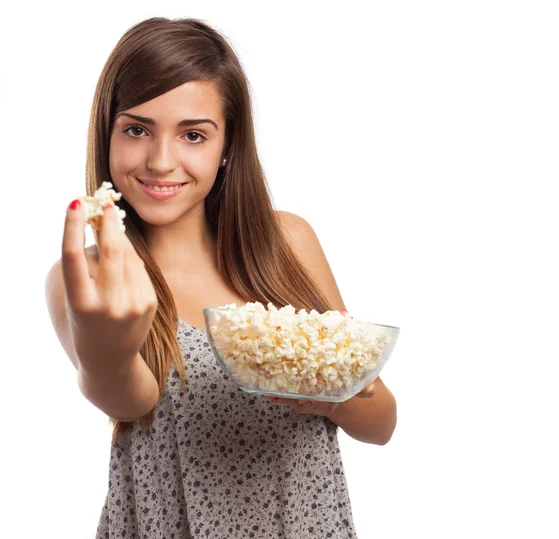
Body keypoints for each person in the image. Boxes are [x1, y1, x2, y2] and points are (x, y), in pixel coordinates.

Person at [45, 16, 397, 538]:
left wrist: (335, 393)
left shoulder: (289, 244)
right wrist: (105, 356)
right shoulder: (91, 278)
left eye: (193, 135)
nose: (161, 161)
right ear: (108, 133)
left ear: (228, 145)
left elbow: (382, 424)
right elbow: (129, 400)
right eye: (137, 129)